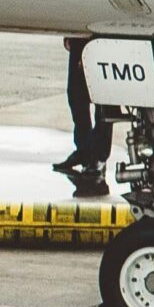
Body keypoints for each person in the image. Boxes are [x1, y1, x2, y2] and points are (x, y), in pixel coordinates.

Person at [59, 38, 113, 199]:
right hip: (80, 36)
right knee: (75, 94)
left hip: (101, 37)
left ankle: (98, 156)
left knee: (103, 99)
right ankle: (84, 151)